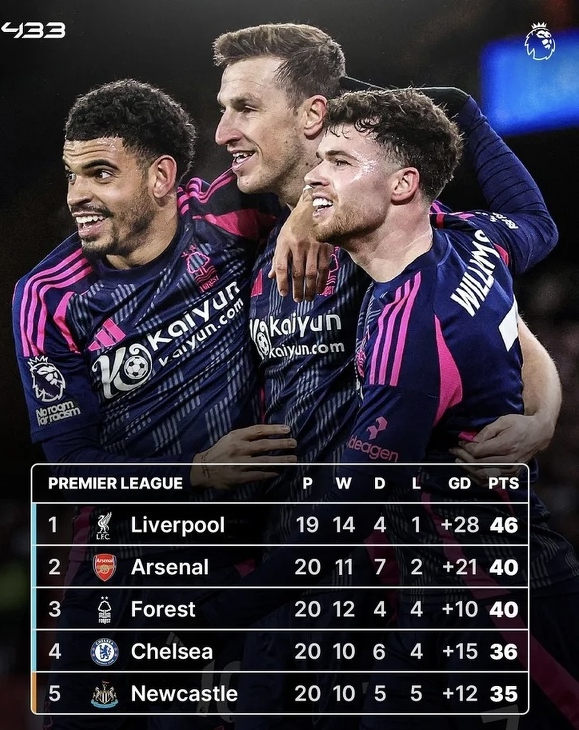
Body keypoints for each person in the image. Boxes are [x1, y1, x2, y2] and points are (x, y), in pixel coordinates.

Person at [210, 22, 562, 728]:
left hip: (397, 565)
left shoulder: (403, 246)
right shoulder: (244, 234)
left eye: (246, 108)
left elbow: (511, 337)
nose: (223, 132)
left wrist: (543, 417)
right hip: (303, 566)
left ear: (313, 113)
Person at [12, 78, 322, 730]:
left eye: (100, 173)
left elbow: (361, 122)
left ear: (161, 177)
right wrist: (197, 471)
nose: (76, 196)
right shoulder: (47, 296)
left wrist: (307, 206)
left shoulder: (231, 215)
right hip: (116, 570)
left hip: (244, 559)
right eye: (72, 175)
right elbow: (68, 469)